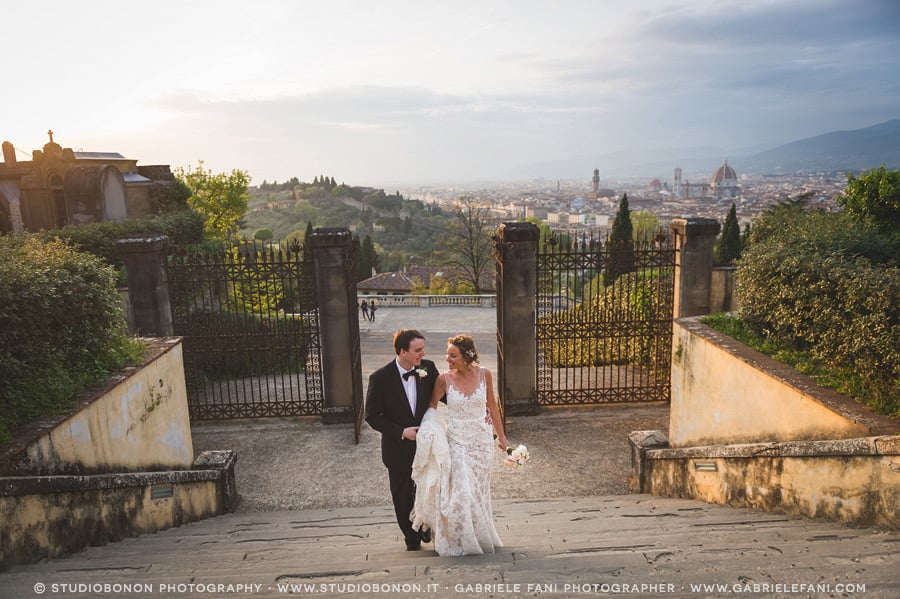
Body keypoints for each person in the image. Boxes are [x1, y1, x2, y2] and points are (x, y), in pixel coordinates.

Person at [411, 334, 509, 556]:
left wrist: (502, 438)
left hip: (482, 443)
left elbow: (492, 407)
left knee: (477, 493)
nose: (447, 359)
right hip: (456, 442)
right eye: (447, 354)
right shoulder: (443, 379)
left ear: (467, 356)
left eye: (452, 355)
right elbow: (431, 406)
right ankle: (461, 539)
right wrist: (429, 431)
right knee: (462, 492)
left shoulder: (485, 375)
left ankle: (478, 535)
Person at [365, 329, 440, 551]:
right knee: (402, 495)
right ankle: (411, 538)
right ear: (402, 351)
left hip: (426, 446)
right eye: (418, 350)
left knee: (427, 490)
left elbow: (444, 396)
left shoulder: (428, 367)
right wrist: (401, 431)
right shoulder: (380, 378)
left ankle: (424, 526)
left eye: (422, 349)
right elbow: (372, 416)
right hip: (397, 449)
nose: (422, 353)